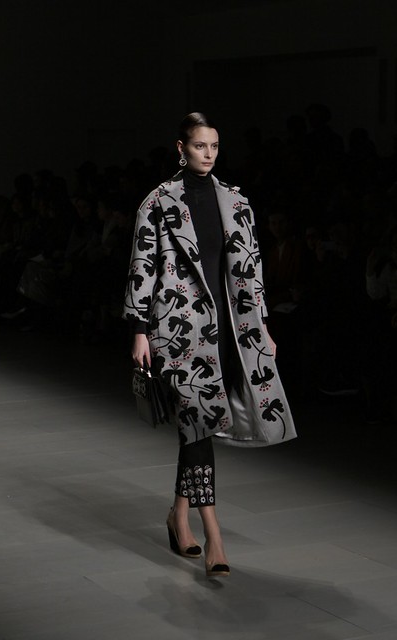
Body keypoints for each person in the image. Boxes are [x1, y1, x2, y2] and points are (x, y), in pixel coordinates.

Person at [123, 112, 296, 578]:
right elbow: (143, 264)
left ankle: (177, 517)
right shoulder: (157, 202)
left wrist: (262, 325)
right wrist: (138, 329)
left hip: (231, 330)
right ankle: (214, 534)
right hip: (179, 330)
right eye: (200, 145)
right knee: (197, 424)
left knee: (196, 428)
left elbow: (252, 269)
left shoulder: (236, 201)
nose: (209, 153)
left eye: (215, 146)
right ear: (180, 148)